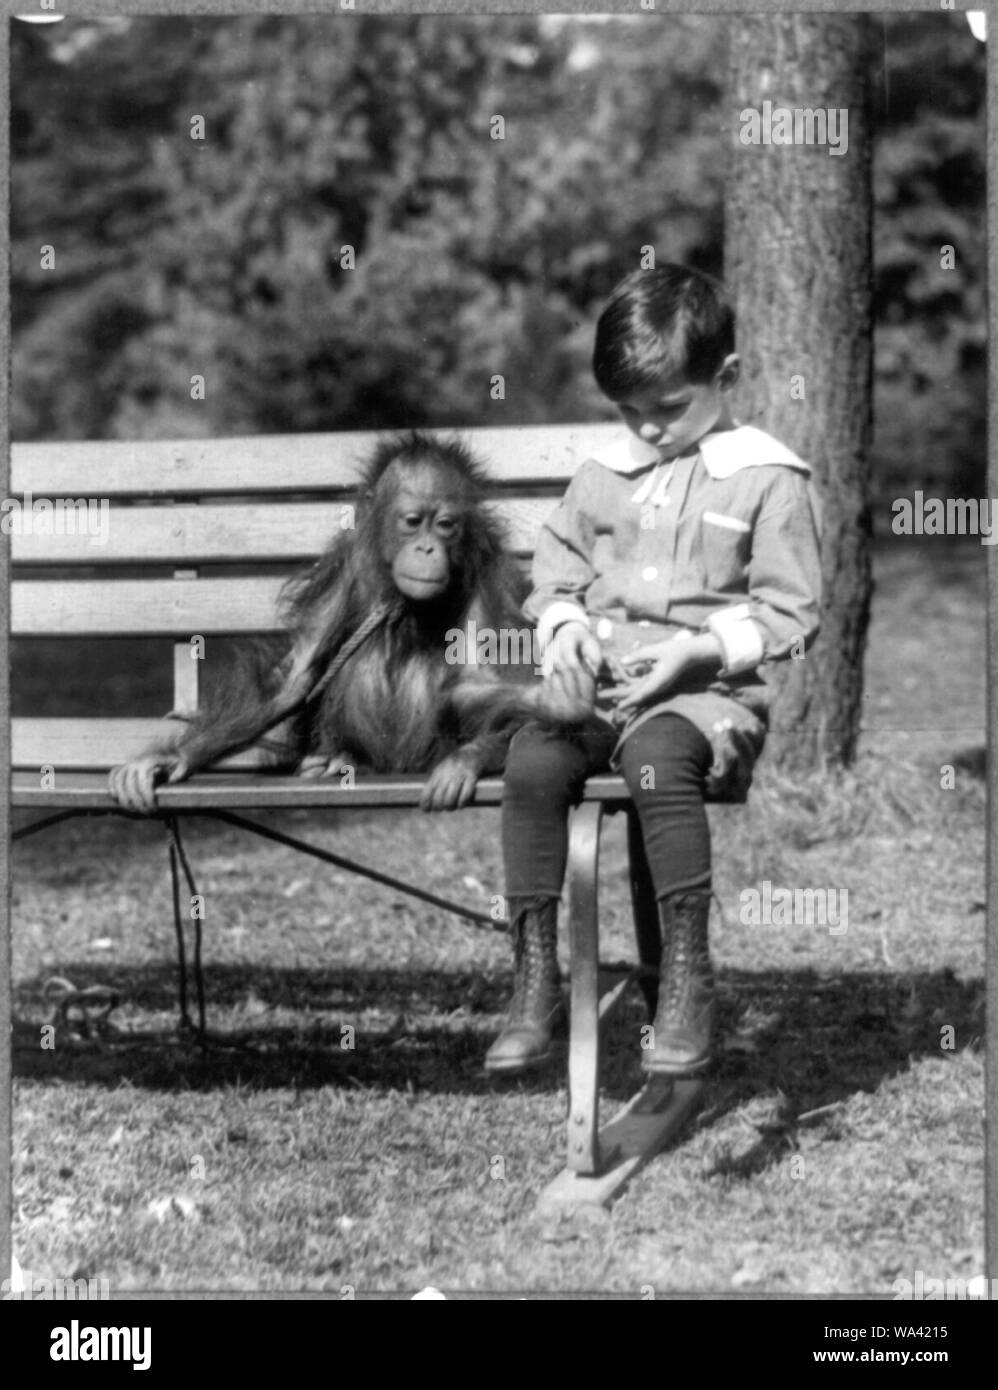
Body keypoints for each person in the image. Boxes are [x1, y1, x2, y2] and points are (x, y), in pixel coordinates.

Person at [486, 263, 822, 1077]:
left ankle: (684, 982)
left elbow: (793, 611)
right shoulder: (606, 473)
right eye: (629, 412)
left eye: (669, 408)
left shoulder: (767, 478)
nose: (649, 428)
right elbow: (555, 570)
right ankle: (535, 979)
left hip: (707, 696)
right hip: (602, 692)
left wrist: (702, 649)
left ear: (728, 377)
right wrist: (563, 625)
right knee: (533, 762)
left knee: (656, 760)